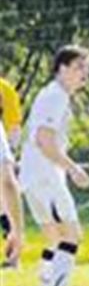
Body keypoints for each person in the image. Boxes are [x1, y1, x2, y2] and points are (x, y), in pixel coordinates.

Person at [19, 45, 89, 286]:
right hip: (44, 177)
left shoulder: (54, 95)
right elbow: (43, 140)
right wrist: (73, 169)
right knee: (71, 236)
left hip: (36, 176)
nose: (83, 74)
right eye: (78, 68)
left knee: (54, 239)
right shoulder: (56, 96)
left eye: (86, 68)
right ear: (61, 68)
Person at [0, 76, 23, 267]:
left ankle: (12, 255)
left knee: (3, 206)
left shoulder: (4, 88)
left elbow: (14, 124)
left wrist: (10, 150)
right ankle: (14, 245)